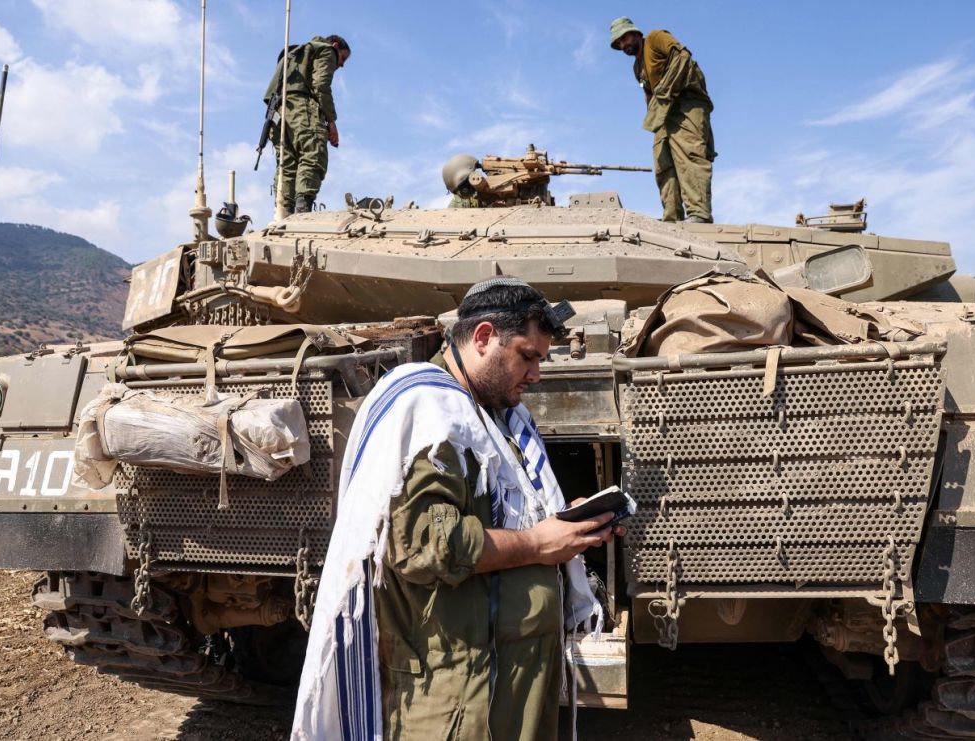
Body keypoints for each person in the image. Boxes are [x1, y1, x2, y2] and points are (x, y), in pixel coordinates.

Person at [291, 278, 622, 740]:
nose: (536, 375)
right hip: (461, 696)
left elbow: (500, 509)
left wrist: (568, 520)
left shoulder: (492, 413)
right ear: (483, 337)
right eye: (527, 356)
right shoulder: (431, 414)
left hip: (511, 680)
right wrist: (537, 543)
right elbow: (427, 543)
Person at [609, 17, 716, 223]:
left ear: (636, 33)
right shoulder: (636, 67)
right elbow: (648, 93)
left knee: (689, 154)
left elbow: (683, 58)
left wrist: (664, 96)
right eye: (619, 43)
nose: (623, 45)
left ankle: (699, 212)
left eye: (624, 38)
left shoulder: (656, 38)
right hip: (663, 112)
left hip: (687, 103)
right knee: (663, 161)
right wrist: (654, 116)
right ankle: (672, 216)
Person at [263, 34, 350, 214]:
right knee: (313, 152)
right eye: (342, 58)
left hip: (278, 112)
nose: (341, 64)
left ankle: (284, 213)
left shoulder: (296, 53)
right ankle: (302, 211)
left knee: (286, 163)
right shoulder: (327, 50)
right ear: (335, 45)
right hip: (300, 107)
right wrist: (331, 121)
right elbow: (321, 86)